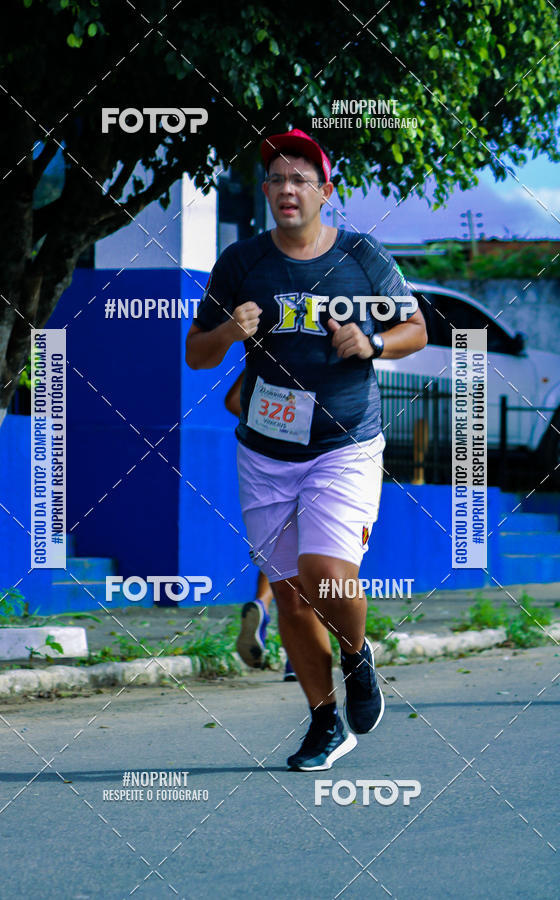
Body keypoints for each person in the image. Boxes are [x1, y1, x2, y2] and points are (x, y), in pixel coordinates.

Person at [186, 128, 427, 771]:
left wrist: (373, 345)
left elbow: (416, 328)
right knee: (290, 594)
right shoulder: (241, 263)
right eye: (276, 179)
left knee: (325, 574)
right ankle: (325, 722)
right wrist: (229, 331)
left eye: (301, 179)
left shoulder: (360, 255)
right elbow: (196, 351)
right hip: (266, 451)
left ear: (325, 190)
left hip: (345, 442)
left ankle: (356, 655)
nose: (287, 189)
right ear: (265, 192)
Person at [225, 371, 297, 682]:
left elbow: (231, 401)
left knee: (278, 553)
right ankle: (298, 657)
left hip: (268, 464)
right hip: (317, 466)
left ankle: (262, 605)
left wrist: (273, 429)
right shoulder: (325, 362)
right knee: (320, 559)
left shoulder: (268, 357)